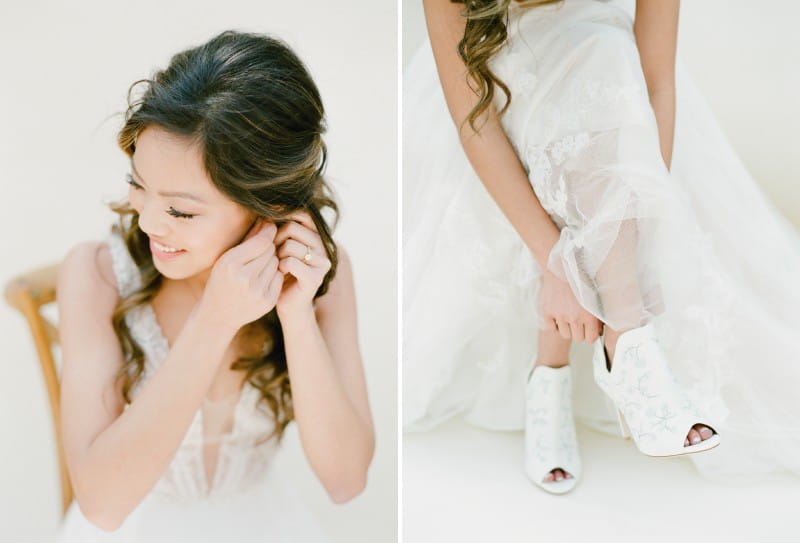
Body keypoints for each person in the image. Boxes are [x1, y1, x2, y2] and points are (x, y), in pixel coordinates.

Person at [404, 0, 800, 495]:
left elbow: (659, 81)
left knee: (599, 58)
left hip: (618, 98)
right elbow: (473, 121)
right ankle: (627, 348)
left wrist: (641, 228)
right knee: (583, 81)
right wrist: (556, 264)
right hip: (493, 94)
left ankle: (576, 359)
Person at [55, 30, 375, 541]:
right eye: (139, 185)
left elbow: (346, 480)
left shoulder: (325, 278)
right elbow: (103, 505)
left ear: (269, 206)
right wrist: (216, 319)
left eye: (180, 209)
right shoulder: (94, 275)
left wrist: (296, 313)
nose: (150, 223)